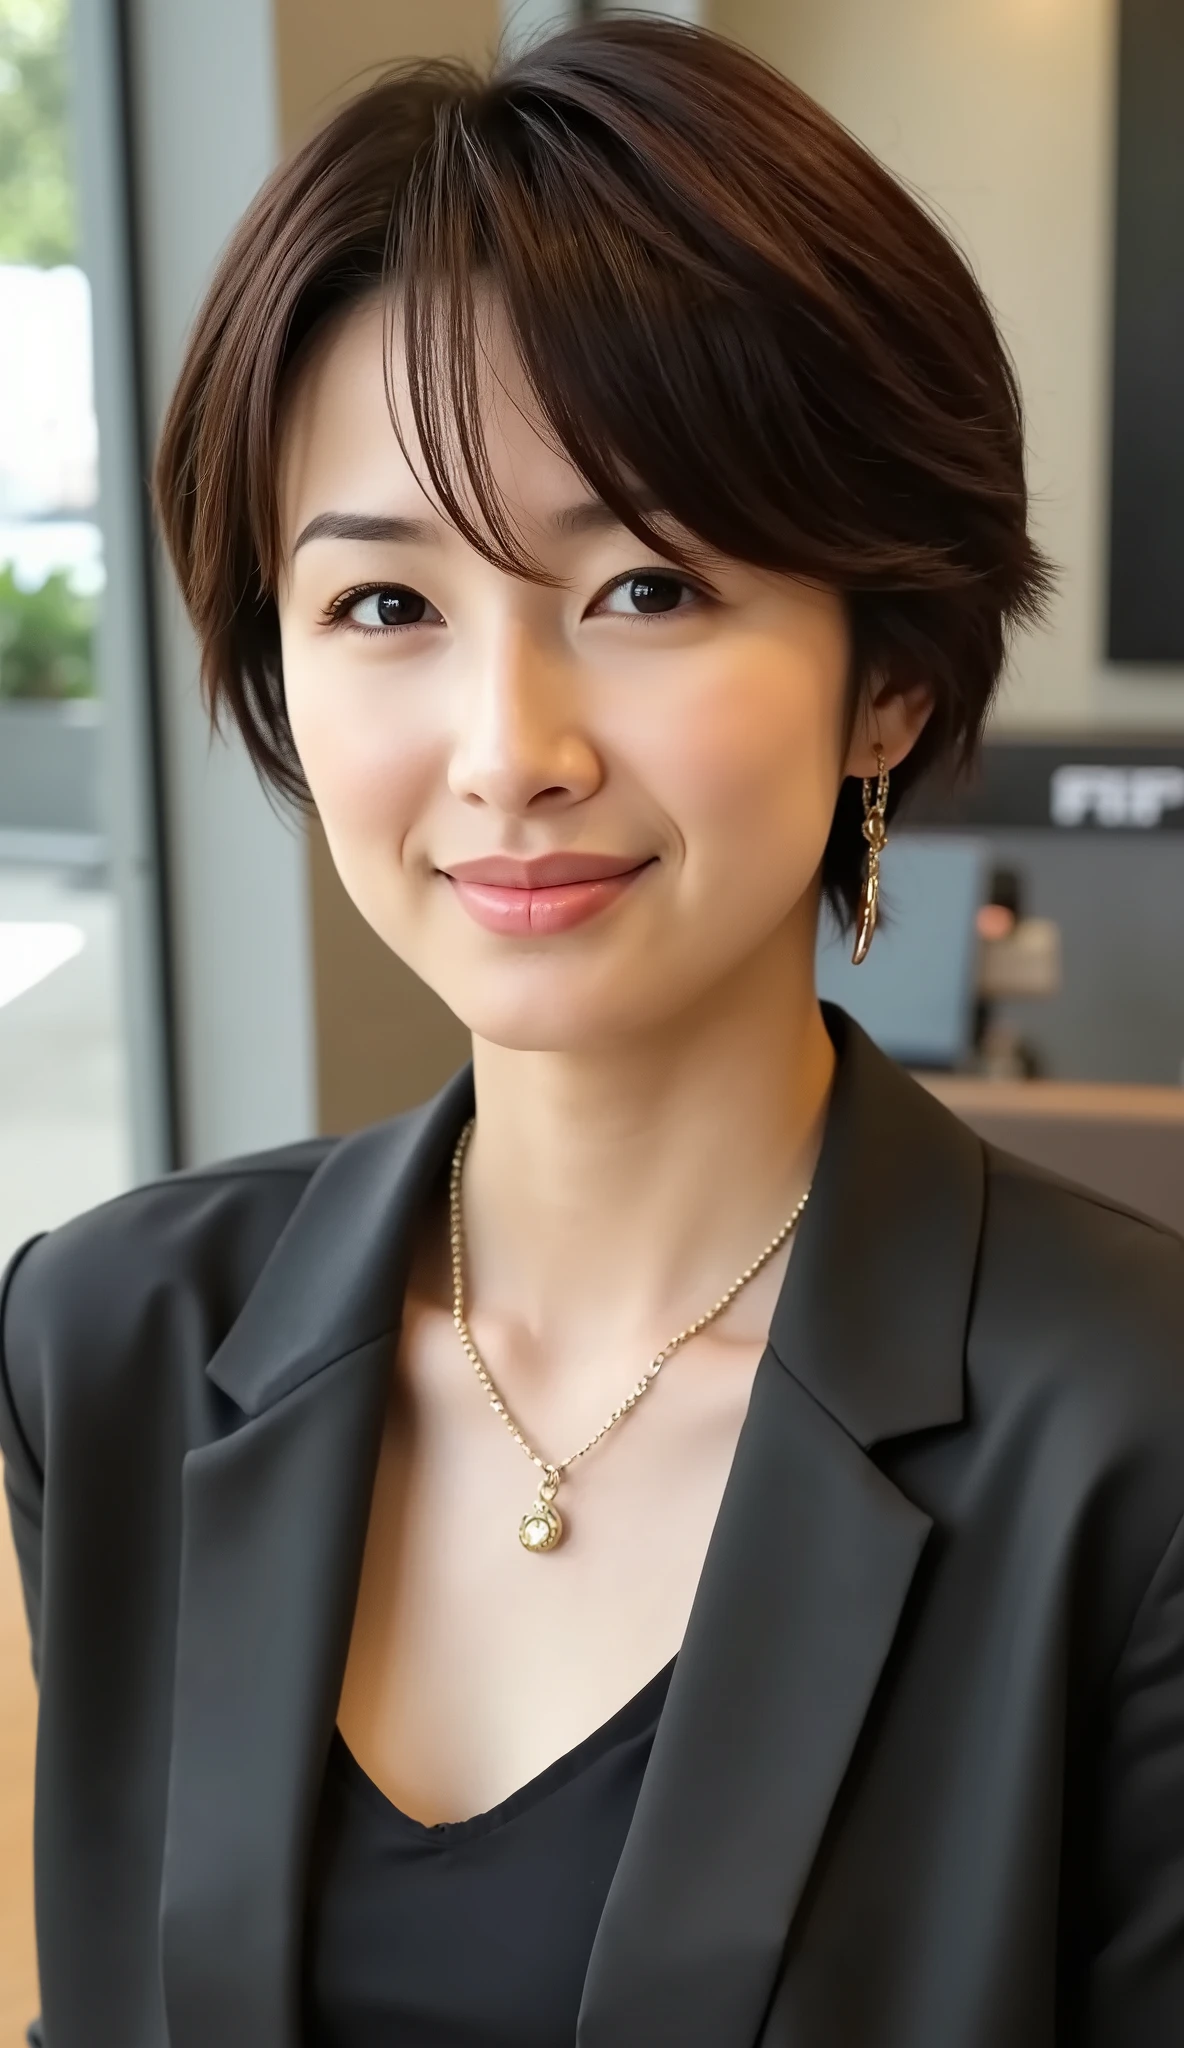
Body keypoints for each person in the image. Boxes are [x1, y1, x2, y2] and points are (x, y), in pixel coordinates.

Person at [2, 18, 1182, 2047]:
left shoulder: (1133, 1440)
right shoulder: (101, 1344)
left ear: (883, 676)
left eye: (645, 586)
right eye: (386, 607)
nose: (507, 753)